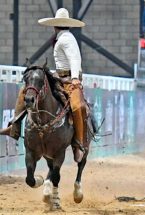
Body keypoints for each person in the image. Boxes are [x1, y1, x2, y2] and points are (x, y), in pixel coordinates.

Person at [0, 8, 87, 163]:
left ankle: (79, 143)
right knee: (28, 90)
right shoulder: (63, 37)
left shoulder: (65, 39)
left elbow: (74, 59)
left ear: (55, 25)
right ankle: (15, 125)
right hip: (60, 77)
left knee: (77, 106)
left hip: (69, 80)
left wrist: (74, 78)